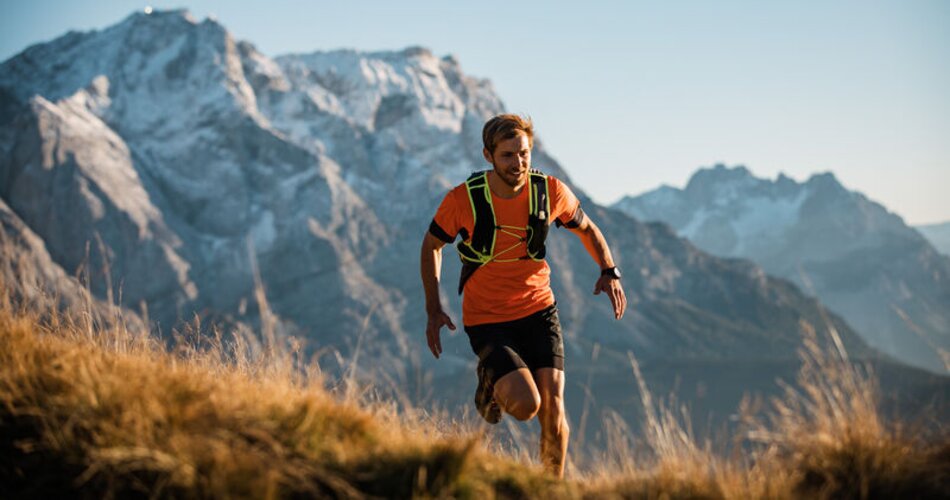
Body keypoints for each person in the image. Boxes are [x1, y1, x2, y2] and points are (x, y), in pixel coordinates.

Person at [419, 114, 626, 478]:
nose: (519, 164)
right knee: (528, 406)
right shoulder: (463, 200)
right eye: (508, 156)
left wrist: (609, 270)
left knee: (554, 409)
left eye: (524, 154)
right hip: (487, 318)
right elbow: (432, 246)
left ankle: (551, 488)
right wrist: (433, 308)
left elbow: (587, 228)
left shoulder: (549, 191)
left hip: (539, 310)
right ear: (488, 155)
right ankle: (489, 381)